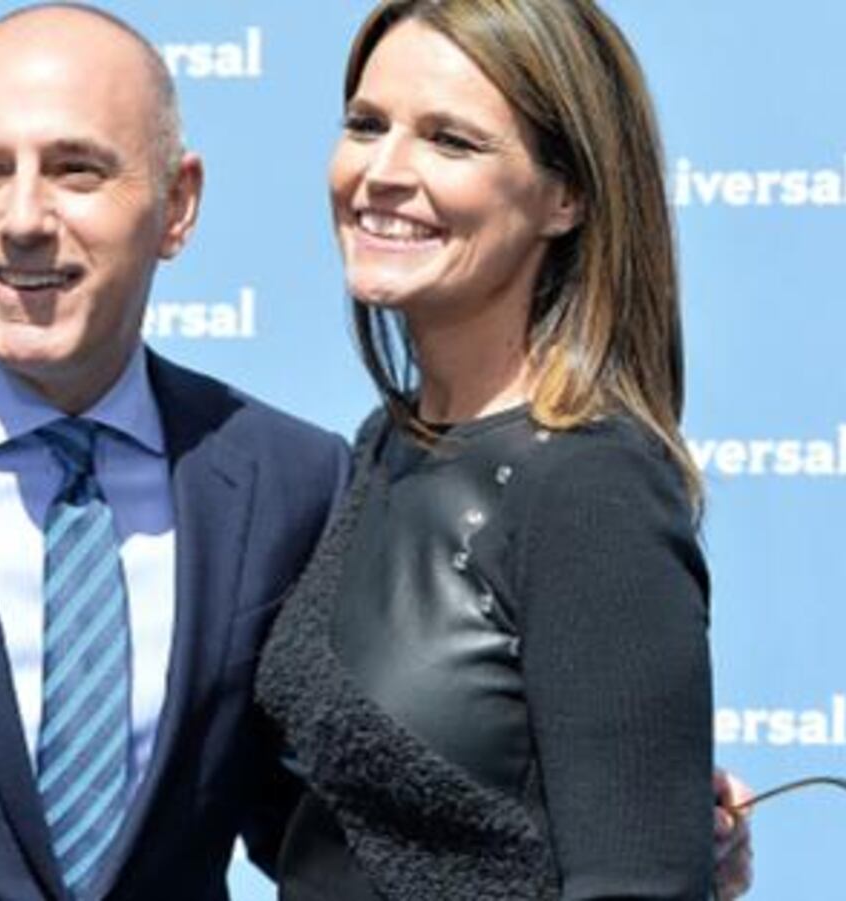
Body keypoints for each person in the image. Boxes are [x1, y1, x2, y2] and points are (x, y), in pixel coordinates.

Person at [0, 4, 751, 900]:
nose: (22, 218)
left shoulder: (283, 481)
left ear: (176, 206)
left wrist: (627, 821)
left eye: (77, 168)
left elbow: (331, 811)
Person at [254, 0, 737, 898]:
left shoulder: (592, 486)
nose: (384, 171)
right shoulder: (384, 447)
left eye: (451, 141)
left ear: (568, 195)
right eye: (367, 124)